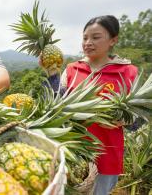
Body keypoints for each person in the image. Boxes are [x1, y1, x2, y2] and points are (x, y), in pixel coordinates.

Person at [41, 15, 138, 195]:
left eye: (95, 37)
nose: (88, 42)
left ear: (113, 40)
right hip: (73, 151)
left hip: (107, 155)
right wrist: (51, 73)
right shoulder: (72, 69)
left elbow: (138, 121)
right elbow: (56, 104)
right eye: (85, 37)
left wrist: (122, 119)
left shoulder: (128, 72)